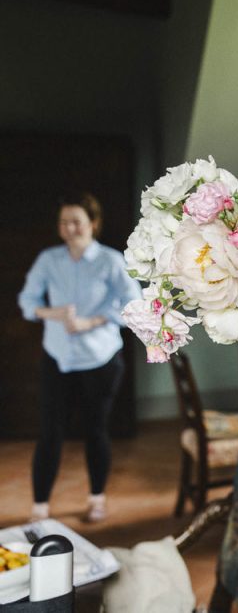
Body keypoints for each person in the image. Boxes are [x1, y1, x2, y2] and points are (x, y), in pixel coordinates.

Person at [17, 192, 142, 522]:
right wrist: (53, 312)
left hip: (100, 358)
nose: (69, 229)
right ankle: (40, 506)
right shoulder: (48, 260)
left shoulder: (111, 261)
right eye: (63, 223)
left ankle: (96, 498)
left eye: (76, 222)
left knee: (96, 429)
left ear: (93, 224)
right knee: (50, 432)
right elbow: (27, 303)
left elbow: (132, 305)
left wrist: (92, 320)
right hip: (57, 358)